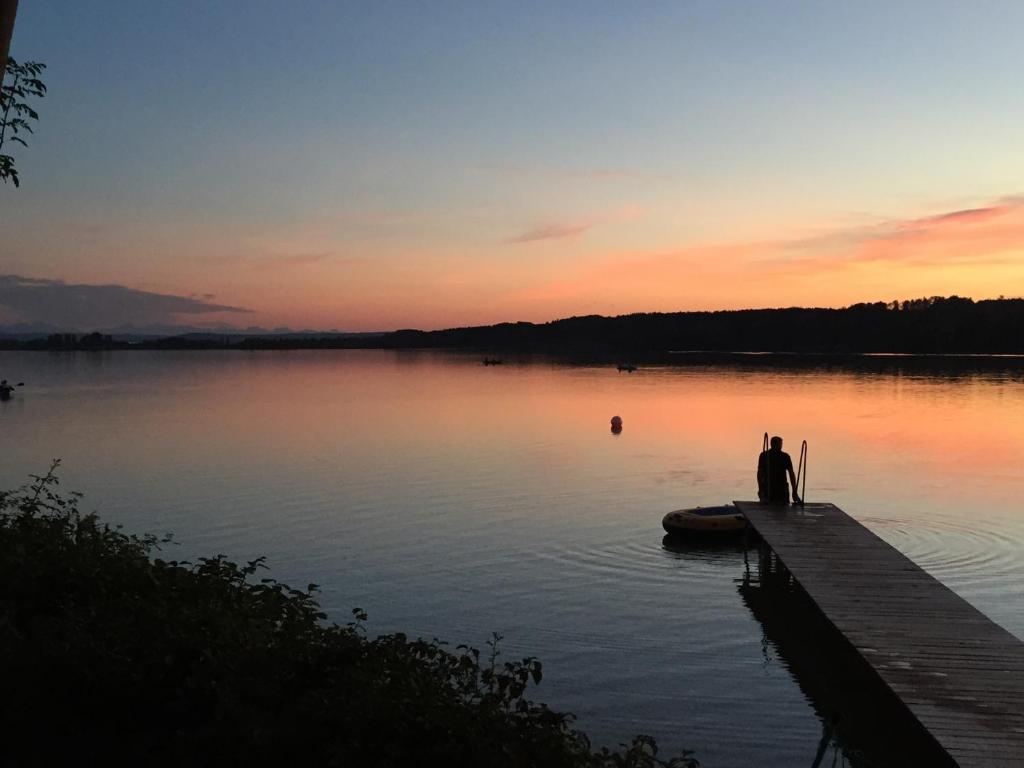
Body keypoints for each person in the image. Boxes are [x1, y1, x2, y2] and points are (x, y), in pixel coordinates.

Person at [757, 435, 801, 505]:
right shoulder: (784, 456)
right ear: (778, 445)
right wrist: (794, 491)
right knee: (780, 509)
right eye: (781, 444)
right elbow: (791, 474)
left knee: (768, 508)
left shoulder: (764, 455)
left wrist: (760, 489)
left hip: (774, 488)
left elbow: (759, 474)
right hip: (776, 489)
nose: (781, 446)